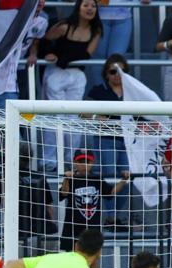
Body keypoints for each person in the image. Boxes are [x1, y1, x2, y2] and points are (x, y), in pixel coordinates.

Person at [41, 0, 101, 172]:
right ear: (78, 8)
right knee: (54, 117)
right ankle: (49, 161)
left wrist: (63, 58)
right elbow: (44, 41)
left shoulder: (95, 29)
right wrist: (48, 54)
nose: (90, 9)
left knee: (73, 119)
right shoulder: (64, 26)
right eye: (86, 5)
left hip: (76, 74)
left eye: (93, 6)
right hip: (56, 73)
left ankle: (71, 159)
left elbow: (86, 54)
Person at [86, 53, 133, 227]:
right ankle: (110, 217)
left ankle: (117, 216)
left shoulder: (133, 91)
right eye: (113, 71)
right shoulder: (99, 90)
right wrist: (96, 116)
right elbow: (82, 113)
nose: (117, 75)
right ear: (106, 73)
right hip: (106, 139)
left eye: (121, 71)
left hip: (129, 141)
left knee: (127, 178)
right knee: (109, 177)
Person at [0, 0, 48, 109]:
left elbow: (35, 42)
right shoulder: (6, 15)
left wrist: (33, 53)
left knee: (23, 107)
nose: (39, 2)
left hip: (19, 69)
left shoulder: (42, 20)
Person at [59, 149, 129, 251]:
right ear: (74, 162)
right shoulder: (72, 178)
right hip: (73, 229)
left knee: (93, 259)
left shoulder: (96, 178)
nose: (84, 165)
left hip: (93, 229)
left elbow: (111, 192)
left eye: (87, 162)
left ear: (92, 163)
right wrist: (66, 178)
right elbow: (63, 194)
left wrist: (124, 179)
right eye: (81, 162)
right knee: (73, 259)